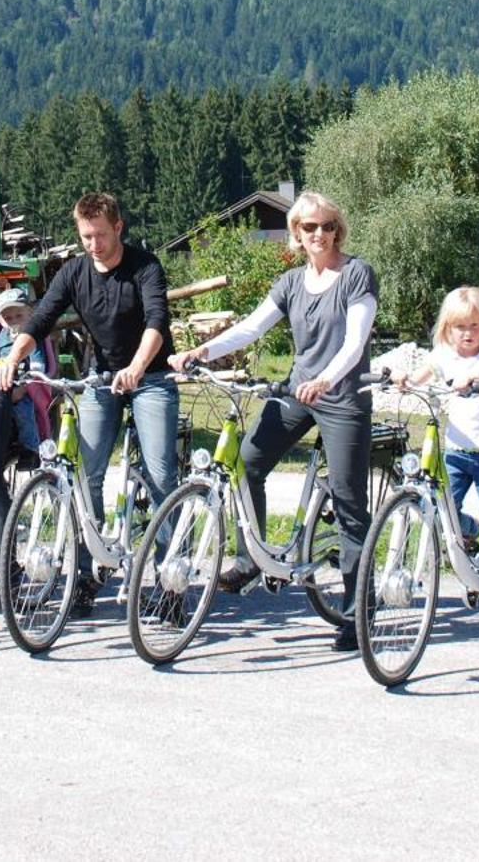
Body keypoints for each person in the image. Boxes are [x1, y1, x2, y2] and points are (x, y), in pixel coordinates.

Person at [169, 191, 378, 653]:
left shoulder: (356, 274)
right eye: (308, 228)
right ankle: (250, 558)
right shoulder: (291, 282)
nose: (318, 234)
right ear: (297, 235)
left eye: (325, 226)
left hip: (342, 396)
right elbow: (252, 326)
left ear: (337, 229)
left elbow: (356, 340)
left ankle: (356, 610)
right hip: (299, 389)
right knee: (247, 463)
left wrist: (325, 379)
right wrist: (203, 350)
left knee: (348, 500)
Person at [0, 192, 178, 618]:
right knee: (84, 475)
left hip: (150, 376)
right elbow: (41, 318)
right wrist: (13, 357)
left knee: (160, 475)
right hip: (102, 378)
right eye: (84, 237)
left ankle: (170, 585)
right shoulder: (75, 272)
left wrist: (136, 367)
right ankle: (87, 573)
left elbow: (157, 322)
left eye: (99, 235)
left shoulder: (144, 267)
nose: (92, 245)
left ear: (118, 227)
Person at [399, 286, 479, 633]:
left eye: (474, 326)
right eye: (459, 327)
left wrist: (477, 377)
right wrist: (405, 381)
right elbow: (422, 372)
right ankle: (468, 530)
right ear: (447, 329)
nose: (467, 334)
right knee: (439, 512)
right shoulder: (443, 354)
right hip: (455, 450)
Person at [0, 286, 56, 462]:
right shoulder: (0, 337)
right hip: (3, 383)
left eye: (19, 316)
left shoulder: (32, 338)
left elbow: (37, 369)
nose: (13, 321)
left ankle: (30, 448)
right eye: (8, 318)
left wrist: (23, 389)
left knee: (24, 410)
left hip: (27, 386)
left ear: (30, 313)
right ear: (0, 320)